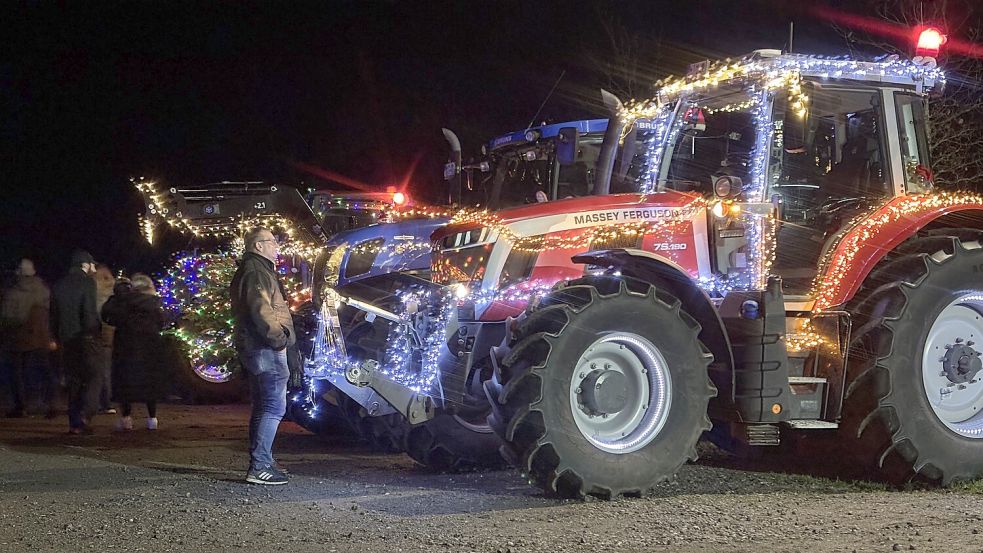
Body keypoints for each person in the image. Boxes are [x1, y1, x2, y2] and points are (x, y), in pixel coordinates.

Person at [230, 227, 295, 485]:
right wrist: (279, 339)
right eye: (272, 241)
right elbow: (262, 310)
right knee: (273, 407)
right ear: (258, 246)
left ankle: (264, 460)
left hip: (258, 347)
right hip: (266, 348)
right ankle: (259, 466)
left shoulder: (255, 269)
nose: (276, 246)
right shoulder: (257, 272)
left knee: (263, 406)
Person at [101, 273, 166, 430]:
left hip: (126, 346)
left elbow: (106, 315)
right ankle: (152, 418)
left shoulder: (123, 302)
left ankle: (126, 418)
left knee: (125, 383)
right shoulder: (154, 304)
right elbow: (162, 322)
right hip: (150, 347)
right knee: (150, 382)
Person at [51, 250, 101, 434]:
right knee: (95, 376)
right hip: (84, 338)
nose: (94, 268)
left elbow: (53, 315)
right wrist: (94, 332)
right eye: (92, 264)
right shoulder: (87, 283)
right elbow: (88, 312)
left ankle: (74, 423)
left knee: (74, 380)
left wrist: (55, 337)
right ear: (85, 265)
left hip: (66, 339)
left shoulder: (59, 285)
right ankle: (86, 413)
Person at [0, 259, 52, 417]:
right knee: (37, 373)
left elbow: (7, 318)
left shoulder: (13, 292)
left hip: (18, 340)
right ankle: (38, 404)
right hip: (41, 338)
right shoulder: (43, 290)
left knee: (16, 375)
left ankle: (20, 406)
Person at [92, 264, 116, 415]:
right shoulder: (113, 296)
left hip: (97, 336)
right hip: (110, 337)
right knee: (106, 370)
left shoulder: (94, 294)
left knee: (97, 371)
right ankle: (106, 402)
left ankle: (100, 402)